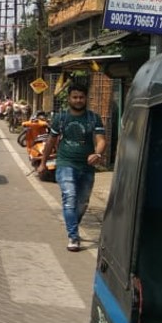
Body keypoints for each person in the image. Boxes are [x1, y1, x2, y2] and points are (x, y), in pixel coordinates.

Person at [37, 83, 107, 252]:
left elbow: (101, 140)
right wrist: (43, 162)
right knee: (70, 197)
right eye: (75, 97)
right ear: (69, 98)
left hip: (87, 167)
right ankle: (73, 236)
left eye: (81, 97)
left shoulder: (93, 118)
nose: (78, 100)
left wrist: (97, 154)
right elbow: (51, 141)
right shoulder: (61, 118)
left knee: (82, 203)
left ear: (86, 99)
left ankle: (72, 225)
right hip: (65, 163)